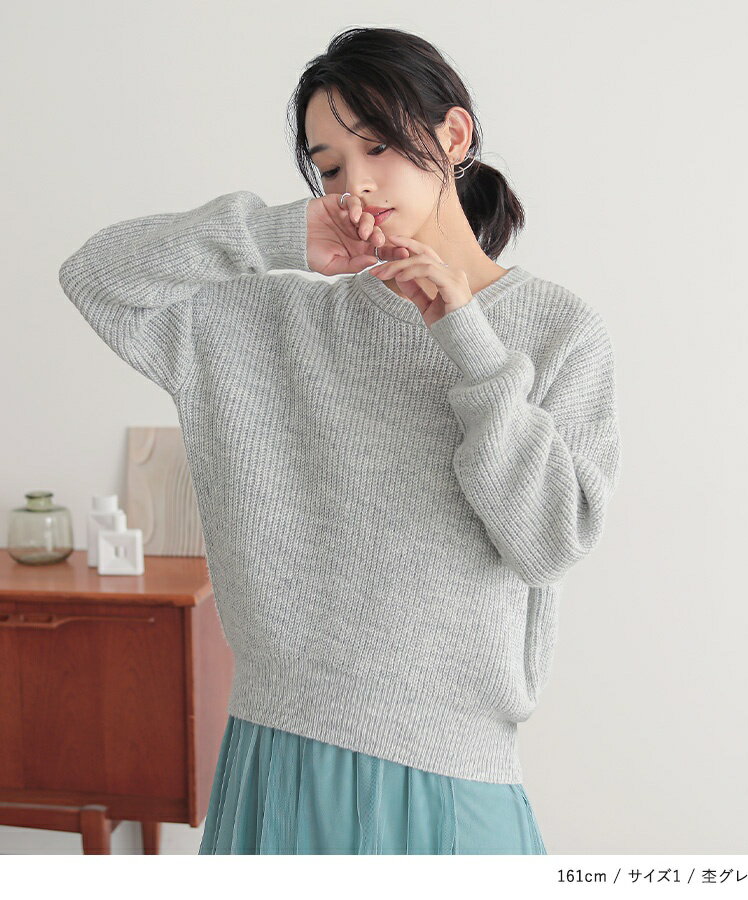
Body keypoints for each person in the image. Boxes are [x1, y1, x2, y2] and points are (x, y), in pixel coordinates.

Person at [58, 26, 621, 854]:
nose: (356, 183)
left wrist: (467, 337)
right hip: (275, 752)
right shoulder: (272, 324)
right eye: (328, 167)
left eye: (378, 146)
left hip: (449, 774)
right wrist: (275, 236)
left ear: (454, 136)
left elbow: (550, 541)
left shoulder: (556, 332)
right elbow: (96, 278)